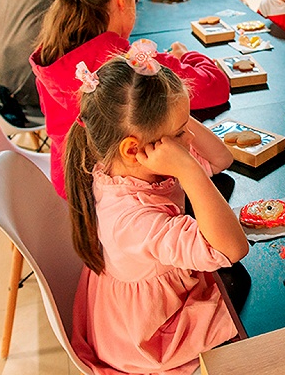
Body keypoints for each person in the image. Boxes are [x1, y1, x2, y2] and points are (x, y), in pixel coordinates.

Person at [66, 55, 248, 375]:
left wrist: (174, 113)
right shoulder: (134, 222)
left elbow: (221, 158)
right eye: (179, 133)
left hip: (158, 288)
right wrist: (191, 172)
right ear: (133, 149)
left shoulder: (119, 165)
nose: (189, 140)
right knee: (255, 315)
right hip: (154, 331)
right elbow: (232, 248)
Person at [30, 0, 230, 198]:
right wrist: (185, 55)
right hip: (128, 196)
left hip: (70, 188)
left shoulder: (51, 53)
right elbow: (214, 87)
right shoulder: (125, 62)